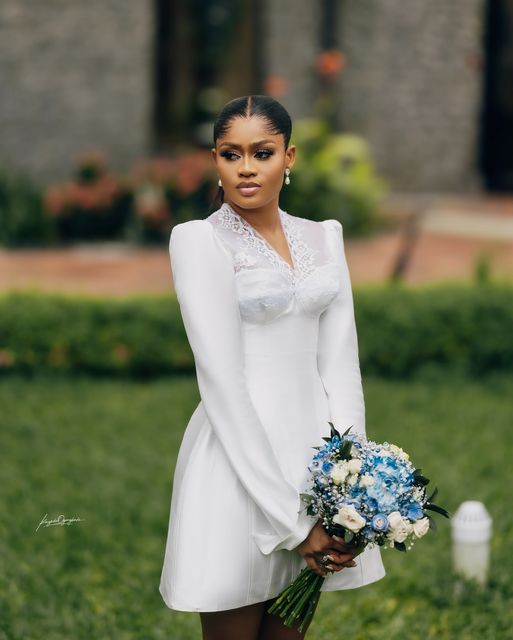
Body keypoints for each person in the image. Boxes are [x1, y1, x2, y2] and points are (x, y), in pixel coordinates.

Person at [159, 95, 386, 639]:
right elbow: (221, 380)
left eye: (261, 152)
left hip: (314, 461)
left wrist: (349, 488)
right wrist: (291, 521)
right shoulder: (198, 242)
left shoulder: (324, 237)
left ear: (290, 157)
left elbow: (341, 368)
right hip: (239, 465)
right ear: (215, 160)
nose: (245, 168)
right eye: (229, 154)